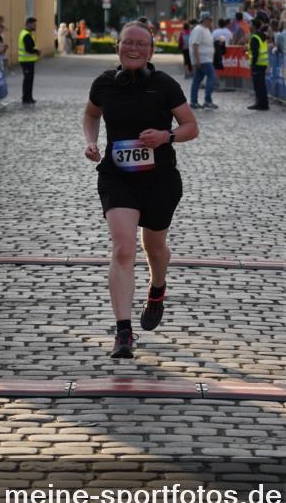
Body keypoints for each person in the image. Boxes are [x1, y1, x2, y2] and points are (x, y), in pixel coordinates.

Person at [83, 20, 199, 359]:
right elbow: (91, 115)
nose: (134, 49)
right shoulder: (104, 83)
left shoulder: (165, 85)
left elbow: (191, 126)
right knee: (123, 248)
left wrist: (168, 136)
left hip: (159, 178)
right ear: (117, 47)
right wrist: (91, 142)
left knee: (155, 247)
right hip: (117, 176)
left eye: (141, 45)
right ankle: (123, 332)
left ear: (151, 51)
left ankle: (157, 288)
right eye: (127, 43)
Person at [189, 12, 218, 109]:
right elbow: (195, 44)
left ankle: (194, 101)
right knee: (211, 76)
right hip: (203, 59)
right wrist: (197, 60)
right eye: (210, 20)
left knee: (197, 80)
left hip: (206, 59)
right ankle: (207, 100)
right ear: (205, 20)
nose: (211, 22)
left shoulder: (206, 29)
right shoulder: (198, 30)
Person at [247, 17, 270, 110]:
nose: (249, 26)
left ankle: (261, 104)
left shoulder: (255, 37)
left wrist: (253, 64)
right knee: (262, 85)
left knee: (258, 85)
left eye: (250, 25)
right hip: (263, 63)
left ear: (254, 26)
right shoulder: (261, 35)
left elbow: (255, 52)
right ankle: (263, 103)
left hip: (257, 64)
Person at [18, 16, 40, 104]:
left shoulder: (27, 34)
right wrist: (37, 51)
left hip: (28, 60)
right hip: (26, 60)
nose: (35, 26)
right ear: (28, 24)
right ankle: (26, 98)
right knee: (27, 80)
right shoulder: (26, 35)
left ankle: (29, 97)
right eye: (34, 24)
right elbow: (28, 49)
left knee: (29, 80)